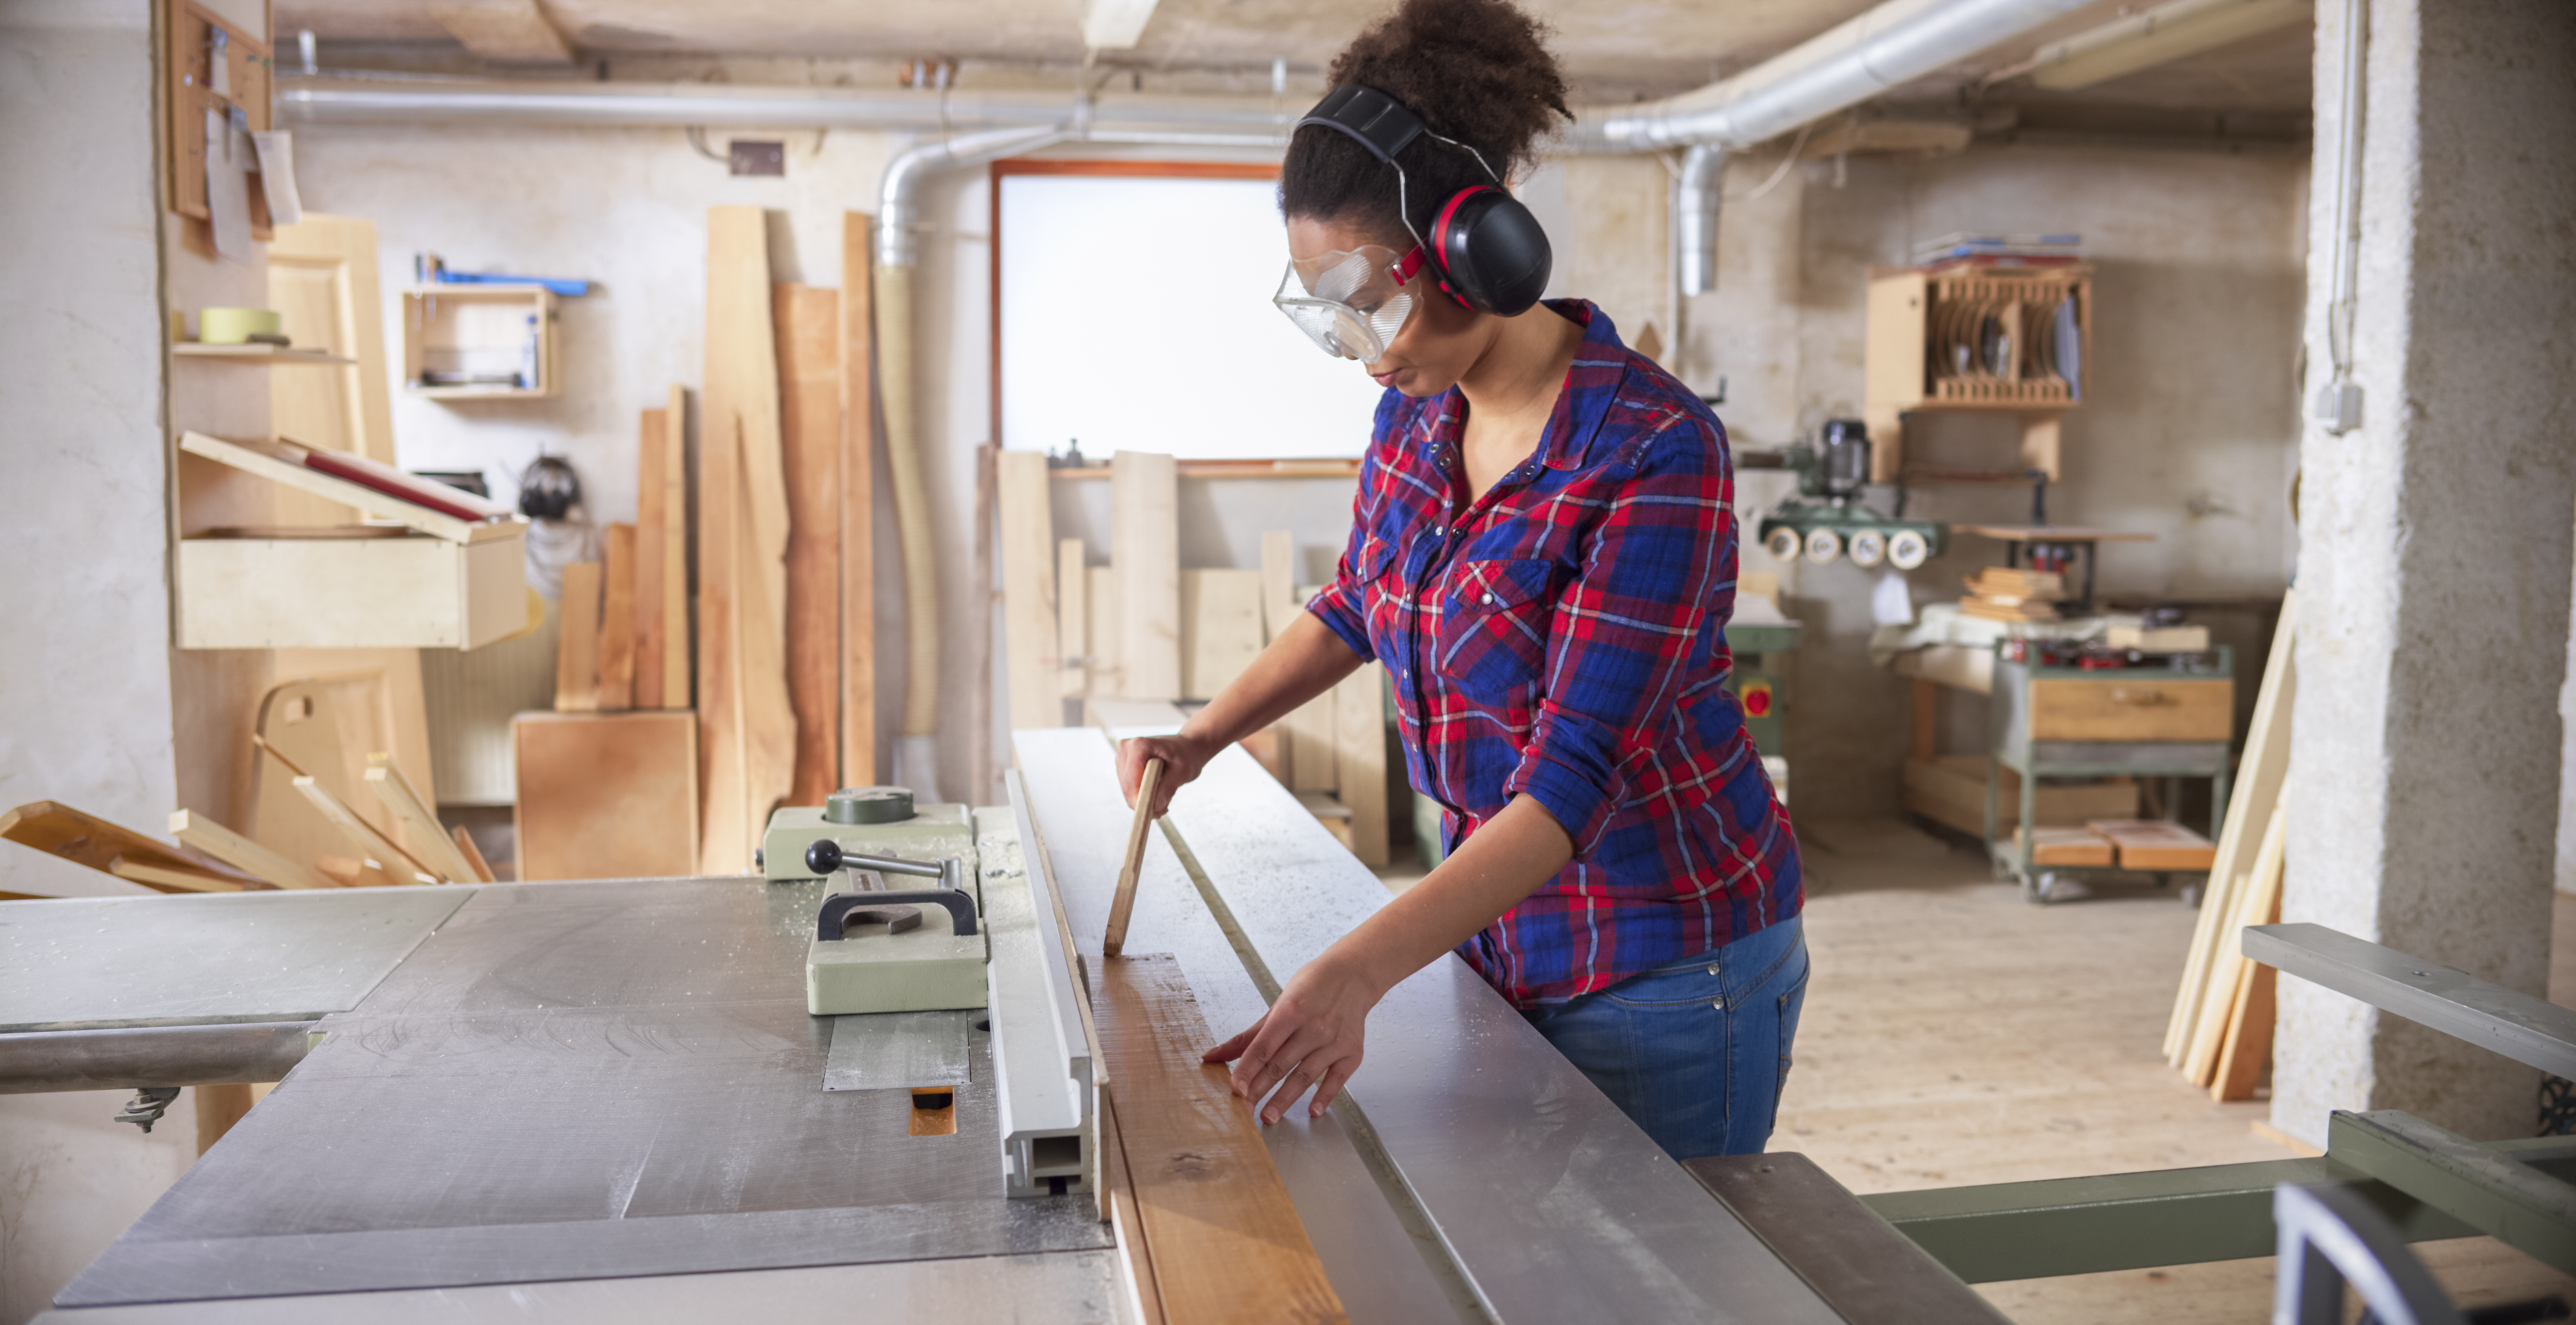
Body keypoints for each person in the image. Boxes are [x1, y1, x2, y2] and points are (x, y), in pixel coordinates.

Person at [1115, 0, 1805, 1162]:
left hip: (1666, 961)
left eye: (1369, 301)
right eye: (1326, 310)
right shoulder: (1414, 416)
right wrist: (1201, 739)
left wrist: (1355, 969)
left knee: (1667, 1279)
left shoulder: (1650, 449)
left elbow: (1567, 787)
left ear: (1478, 253)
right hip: (1498, 935)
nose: (1361, 344)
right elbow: (1357, 604)